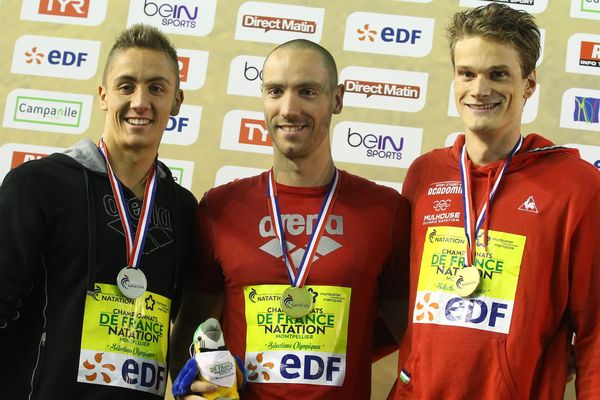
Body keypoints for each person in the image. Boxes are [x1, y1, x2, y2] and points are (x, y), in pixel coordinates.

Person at [171, 39, 410, 399]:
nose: (289, 108)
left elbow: (415, 341)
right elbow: (191, 335)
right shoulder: (219, 209)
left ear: (338, 99)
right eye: (276, 91)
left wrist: (346, 348)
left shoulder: (384, 212)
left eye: (307, 92)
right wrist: (197, 385)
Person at [389, 3, 600, 399]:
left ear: (529, 84)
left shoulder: (577, 187)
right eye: (466, 73)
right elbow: (397, 297)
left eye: (498, 74)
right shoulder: (425, 174)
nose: (479, 89)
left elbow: (595, 331)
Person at [0, 24, 198, 399]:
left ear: (176, 101)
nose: (140, 101)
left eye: (157, 88)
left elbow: (188, 325)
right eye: (127, 86)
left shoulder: (182, 208)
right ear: (104, 96)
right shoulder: (38, 185)